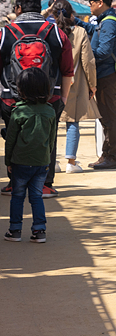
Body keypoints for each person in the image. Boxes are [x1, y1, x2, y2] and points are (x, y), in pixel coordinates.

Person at [1, 0, 74, 196]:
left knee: (13, 137)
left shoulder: (5, 33)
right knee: (47, 140)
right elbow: (68, 69)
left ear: (18, 8)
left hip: (11, 98)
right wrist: (64, 98)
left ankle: (15, 183)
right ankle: (45, 184)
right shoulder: (56, 33)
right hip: (50, 97)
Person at [74, 0, 116, 169]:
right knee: (107, 116)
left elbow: (104, 51)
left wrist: (84, 53)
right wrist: (77, 22)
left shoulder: (110, 22)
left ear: (100, 3)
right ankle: (108, 154)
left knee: (109, 116)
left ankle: (114, 157)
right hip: (105, 75)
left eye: (91, 1)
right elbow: (94, 30)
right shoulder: (106, 20)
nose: (89, 5)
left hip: (107, 75)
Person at [4, 68, 57, 243]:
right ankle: (39, 231)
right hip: (41, 163)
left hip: (20, 161)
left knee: (17, 197)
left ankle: (15, 230)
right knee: (36, 196)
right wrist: (47, 158)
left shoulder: (18, 112)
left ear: (21, 90)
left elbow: (10, 140)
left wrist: (8, 161)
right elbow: (51, 140)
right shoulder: (50, 112)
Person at [50, 0, 98, 174]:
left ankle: (52, 161)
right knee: (73, 121)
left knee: (51, 122)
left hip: (52, 83)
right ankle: (71, 161)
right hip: (74, 83)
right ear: (72, 15)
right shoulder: (80, 32)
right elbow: (88, 61)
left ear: (53, 14)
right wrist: (93, 85)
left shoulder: (49, 31)